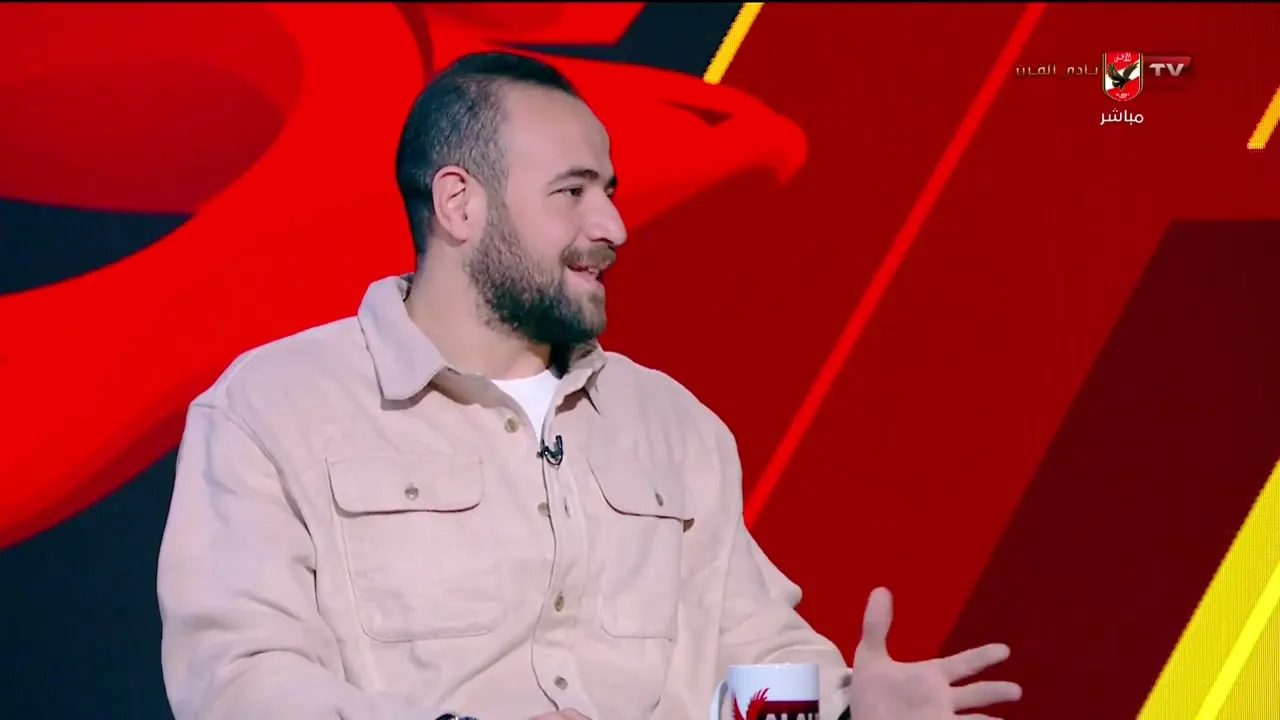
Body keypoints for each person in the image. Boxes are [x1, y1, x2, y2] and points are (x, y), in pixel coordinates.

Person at [156, 51, 1021, 720]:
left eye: (609, 191)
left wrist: (843, 711)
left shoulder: (673, 425)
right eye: (572, 192)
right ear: (459, 204)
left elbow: (735, 680)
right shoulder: (274, 408)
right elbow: (237, 682)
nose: (612, 225)